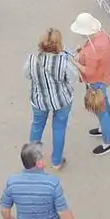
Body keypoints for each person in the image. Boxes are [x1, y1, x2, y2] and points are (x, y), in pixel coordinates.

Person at [25, 28, 78, 170]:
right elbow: (73, 78)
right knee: (59, 129)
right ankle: (56, 161)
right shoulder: (63, 62)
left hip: (39, 100)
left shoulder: (32, 59)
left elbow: (26, 74)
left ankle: (32, 160)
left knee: (37, 127)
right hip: (62, 100)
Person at [71, 13, 110, 155]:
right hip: (105, 76)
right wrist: (82, 51)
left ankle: (108, 142)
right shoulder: (103, 36)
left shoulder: (92, 50)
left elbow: (88, 72)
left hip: (95, 81)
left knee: (101, 110)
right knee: (105, 106)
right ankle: (104, 129)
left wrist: (74, 62)